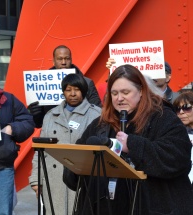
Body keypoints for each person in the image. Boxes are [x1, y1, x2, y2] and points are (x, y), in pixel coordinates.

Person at [63, 64, 193, 215]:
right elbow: (75, 171)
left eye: (125, 92)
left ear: (141, 91)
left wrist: (132, 145)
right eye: (114, 93)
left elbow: (178, 158)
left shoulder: (164, 118)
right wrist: (74, 165)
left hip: (153, 207)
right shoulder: (101, 124)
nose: (119, 98)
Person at [29, 73, 101, 214]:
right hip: (53, 180)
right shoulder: (50, 115)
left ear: (84, 91)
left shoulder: (96, 114)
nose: (72, 94)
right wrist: (36, 180)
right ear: (63, 92)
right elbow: (40, 150)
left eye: (76, 89)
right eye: (68, 90)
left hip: (81, 181)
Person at [0, 56, 35, 215]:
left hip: (2, 170)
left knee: (2, 212)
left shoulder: (9, 100)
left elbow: (28, 121)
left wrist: (11, 128)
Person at [28, 45, 102, 128]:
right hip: (53, 135)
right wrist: (35, 115)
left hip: (80, 133)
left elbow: (98, 114)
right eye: (60, 59)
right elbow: (38, 124)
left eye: (67, 58)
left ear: (71, 60)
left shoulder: (87, 83)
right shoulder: (41, 85)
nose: (63, 62)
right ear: (53, 61)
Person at [106, 58, 179, 103]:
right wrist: (114, 72)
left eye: (157, 71)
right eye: (150, 70)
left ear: (168, 77)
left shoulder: (177, 98)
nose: (152, 76)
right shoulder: (135, 99)